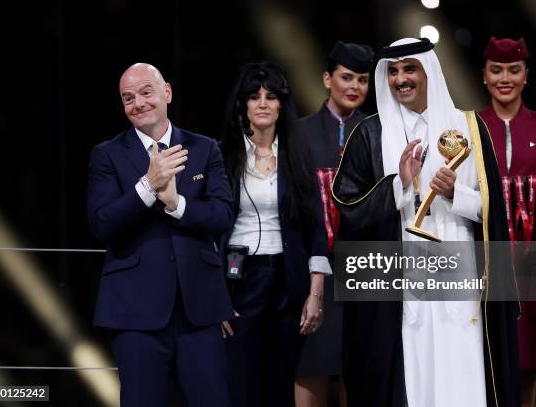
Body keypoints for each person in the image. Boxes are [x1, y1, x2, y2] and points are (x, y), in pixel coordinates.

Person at [331, 38, 520, 407]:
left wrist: (455, 195)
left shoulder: (469, 127)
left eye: (409, 69)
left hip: (459, 270)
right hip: (400, 279)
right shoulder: (369, 134)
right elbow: (348, 206)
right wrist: (398, 184)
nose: (401, 79)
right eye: (394, 72)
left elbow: (493, 211)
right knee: (412, 374)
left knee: (460, 367)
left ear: (427, 71)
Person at [87, 63, 234, 407]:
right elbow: (102, 224)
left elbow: (222, 216)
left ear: (167, 92)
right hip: (135, 313)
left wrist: (177, 203)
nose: (137, 103)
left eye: (145, 92)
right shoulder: (107, 154)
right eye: (128, 97)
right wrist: (147, 187)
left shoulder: (204, 148)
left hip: (199, 308)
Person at [219, 62, 331, 407]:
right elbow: (209, 231)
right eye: (254, 97)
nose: (263, 103)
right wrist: (216, 297)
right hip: (240, 282)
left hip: (288, 282)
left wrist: (315, 294)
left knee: (281, 384)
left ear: (282, 105)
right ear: (244, 105)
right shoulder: (224, 155)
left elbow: (315, 228)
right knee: (239, 384)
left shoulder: (297, 155)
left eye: (270, 97)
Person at [479, 36, 536, 407]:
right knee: (483, 360)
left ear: (526, 75)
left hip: (534, 262)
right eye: (496, 70)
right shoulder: (469, 126)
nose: (505, 78)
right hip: (484, 260)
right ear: (484, 75)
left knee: (528, 364)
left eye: (513, 70)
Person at [296, 40, 373, 407]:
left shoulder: (379, 132)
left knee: (357, 369)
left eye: (362, 79)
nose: (355, 86)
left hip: (365, 268)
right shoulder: (298, 133)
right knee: (308, 363)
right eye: (346, 77)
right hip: (313, 270)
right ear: (327, 79)